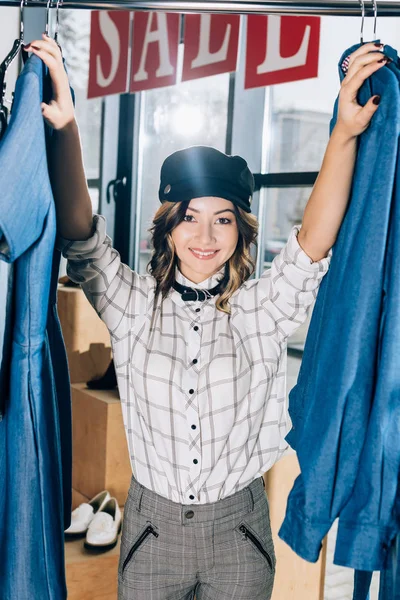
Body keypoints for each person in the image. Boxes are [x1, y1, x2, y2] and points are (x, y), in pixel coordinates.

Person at [24, 34, 388, 600]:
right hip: (151, 533)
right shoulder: (133, 305)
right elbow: (81, 238)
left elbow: (313, 244)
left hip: (238, 533)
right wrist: (67, 128)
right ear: (168, 223)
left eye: (223, 220)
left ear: (240, 231)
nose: (204, 236)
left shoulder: (260, 308)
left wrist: (341, 133)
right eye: (190, 217)